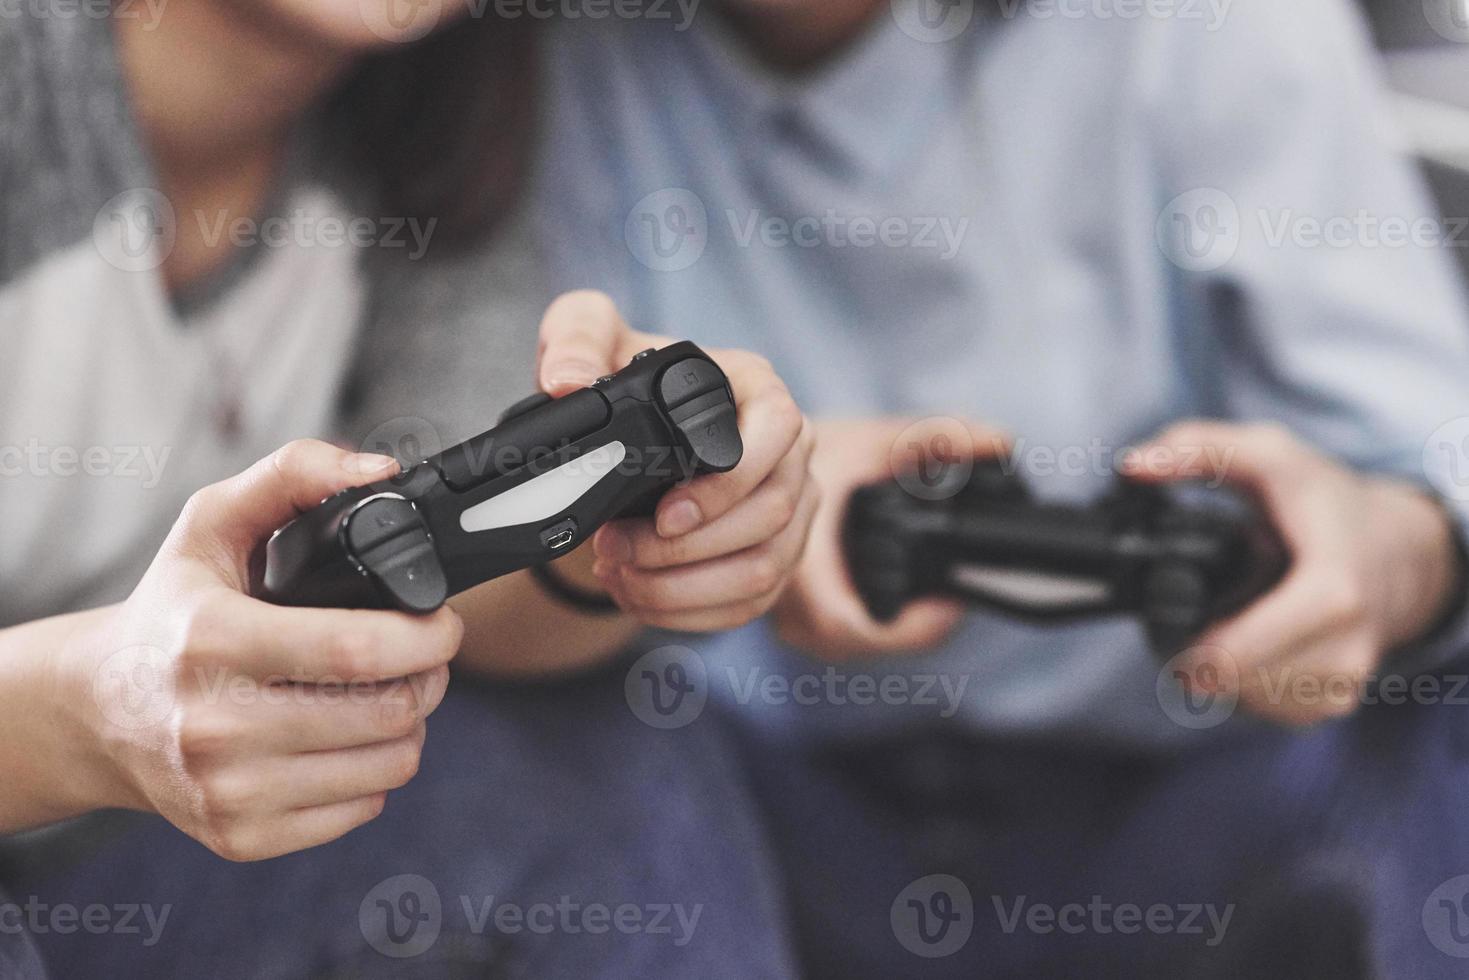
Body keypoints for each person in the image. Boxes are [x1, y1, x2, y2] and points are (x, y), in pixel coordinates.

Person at [529, 0, 1469, 975]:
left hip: (1204, 784)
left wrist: (1387, 558)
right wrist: (710, 534)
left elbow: (1432, 468)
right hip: (757, 806)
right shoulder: (526, 67)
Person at [0, 2, 816, 976]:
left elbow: (475, 594)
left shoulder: (428, 118)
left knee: (604, 766)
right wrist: (83, 715)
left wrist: (624, 527)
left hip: (136, 863)